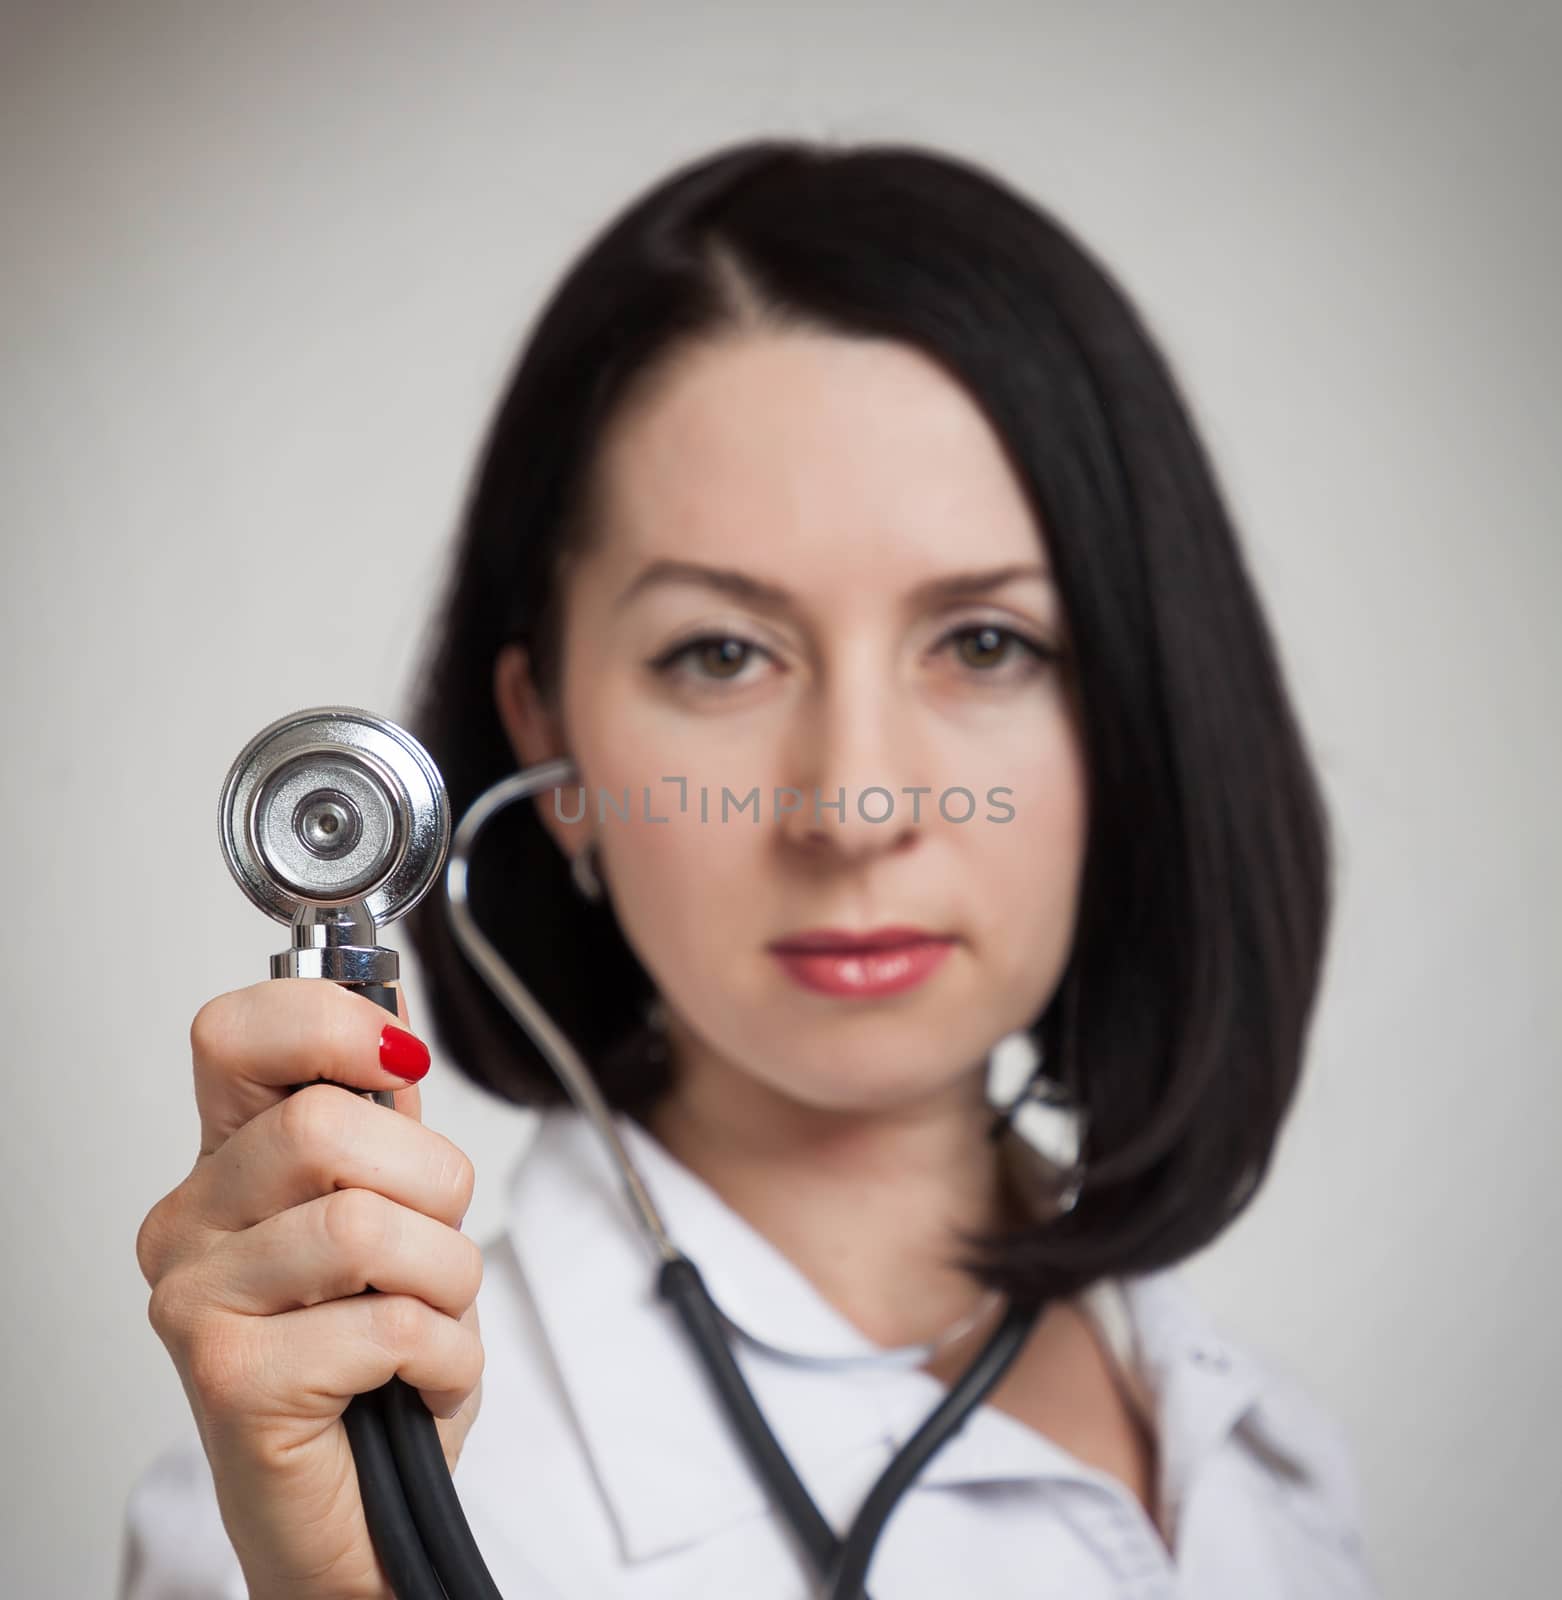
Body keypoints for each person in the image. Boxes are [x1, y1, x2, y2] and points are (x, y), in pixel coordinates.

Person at [122, 138, 1381, 1598]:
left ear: (1138, 716)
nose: (849, 806)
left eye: (984, 643)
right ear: (553, 744)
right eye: (719, 654)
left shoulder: (1261, 1447)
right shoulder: (305, 1517)